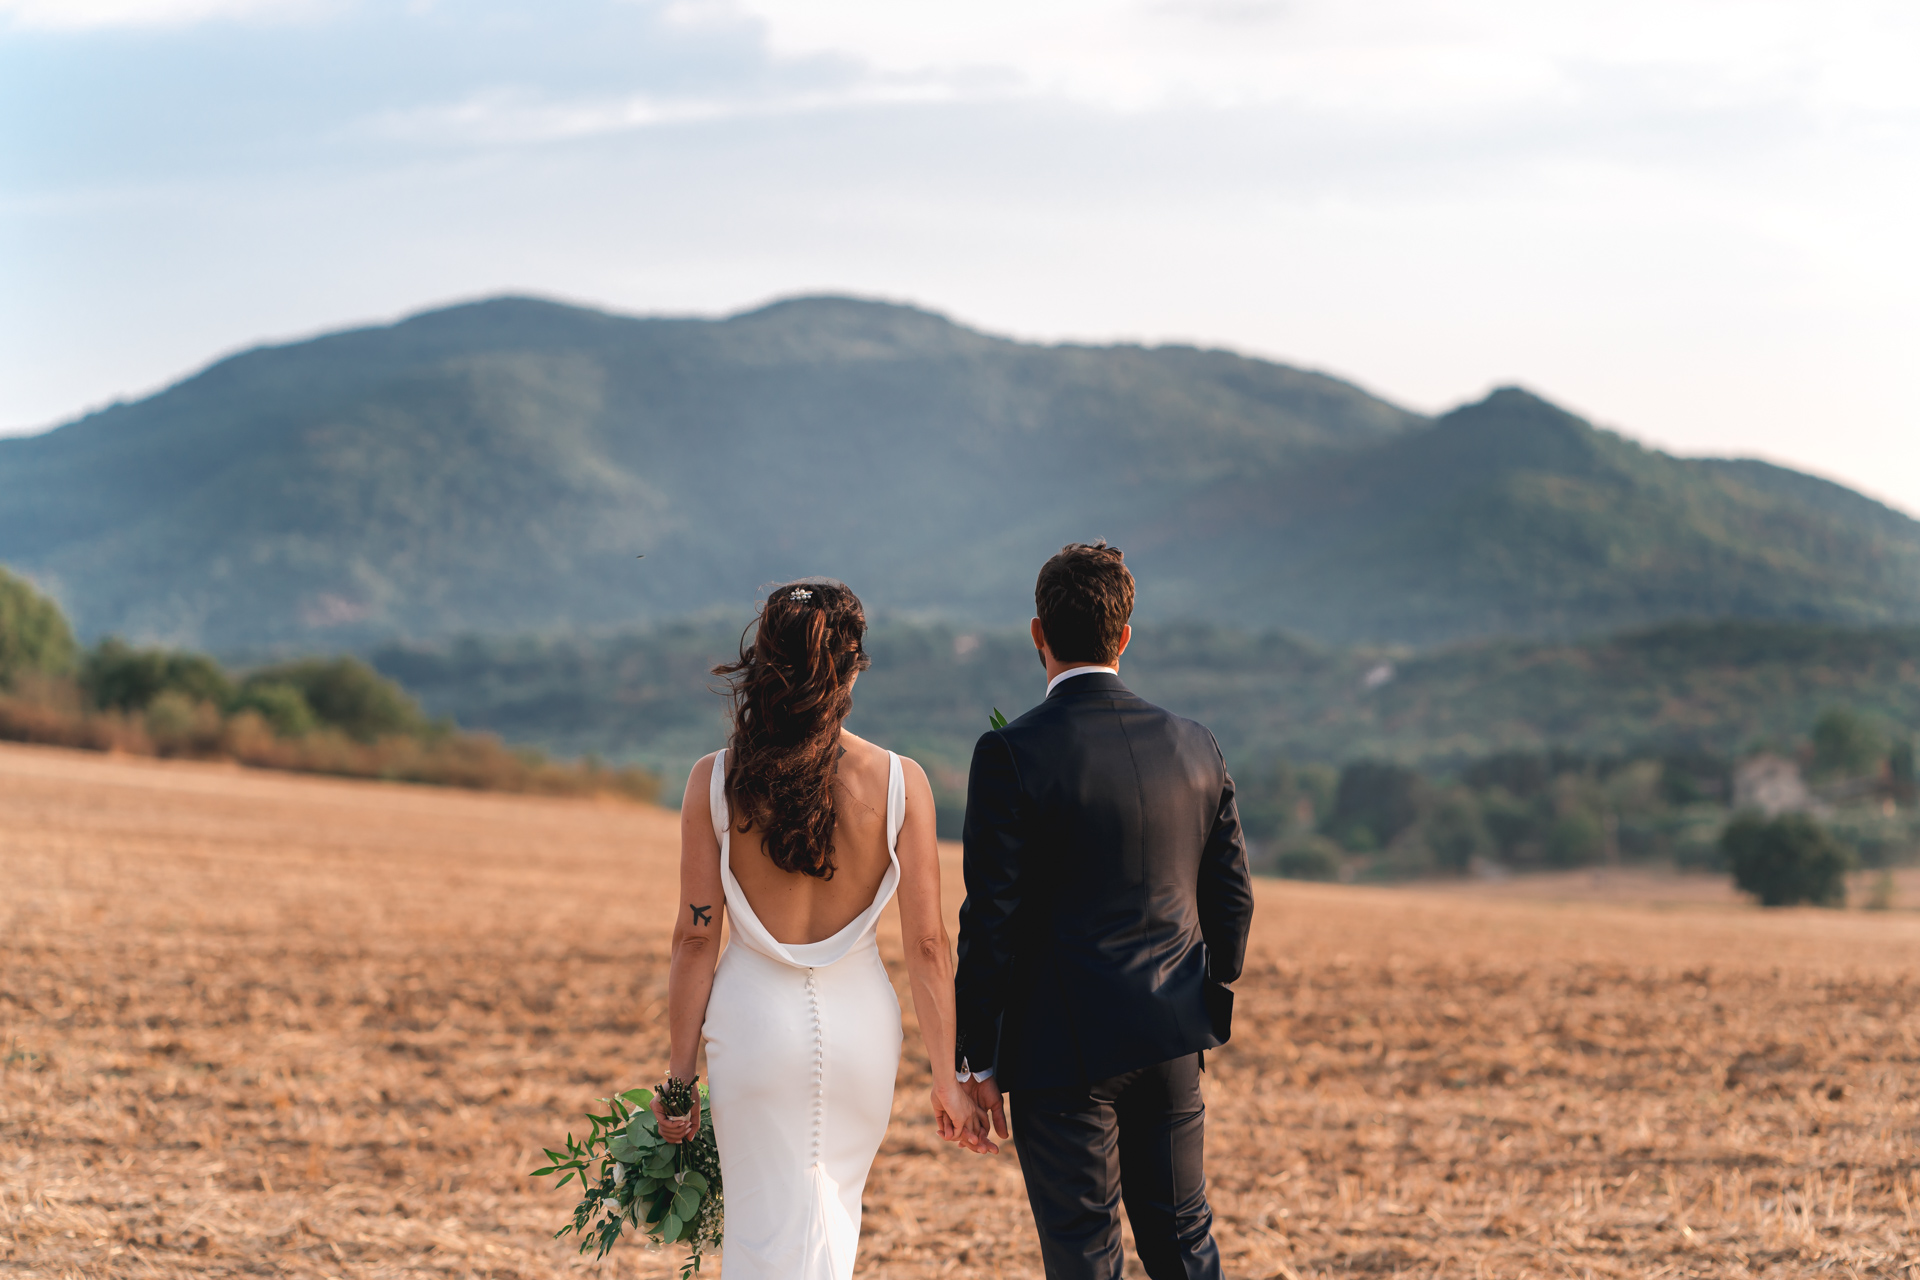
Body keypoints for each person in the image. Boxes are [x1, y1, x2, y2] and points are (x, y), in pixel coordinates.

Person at [652, 578, 991, 1280]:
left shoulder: (712, 782)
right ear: (853, 666)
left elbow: (694, 938)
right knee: (832, 1218)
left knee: (760, 1229)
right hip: (860, 1036)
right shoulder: (903, 782)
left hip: (750, 1031)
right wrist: (948, 1078)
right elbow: (928, 946)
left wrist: (679, 1084)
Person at [955, 542, 1256, 1280]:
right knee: (1185, 1244)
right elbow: (1234, 898)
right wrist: (1209, 987)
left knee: (1086, 1255)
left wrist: (977, 1056)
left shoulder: (1010, 753)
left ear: (1038, 634)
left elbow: (989, 918)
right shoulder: (1197, 745)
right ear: (1125, 636)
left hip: (1060, 1052)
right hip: (1172, 1034)